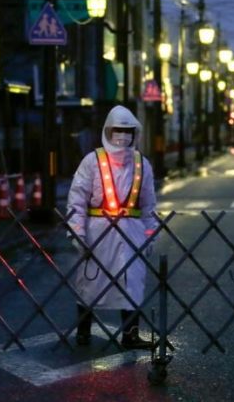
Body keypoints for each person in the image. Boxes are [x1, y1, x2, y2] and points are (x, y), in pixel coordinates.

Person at [66, 105, 158, 350]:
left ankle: (131, 334)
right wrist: (79, 234)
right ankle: (83, 332)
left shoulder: (141, 164)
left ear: (135, 133)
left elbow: (149, 204)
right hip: (98, 233)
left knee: (132, 283)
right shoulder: (92, 161)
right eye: (118, 129)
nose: (123, 135)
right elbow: (77, 199)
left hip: (132, 233)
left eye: (128, 130)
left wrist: (150, 235)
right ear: (108, 130)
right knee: (90, 282)